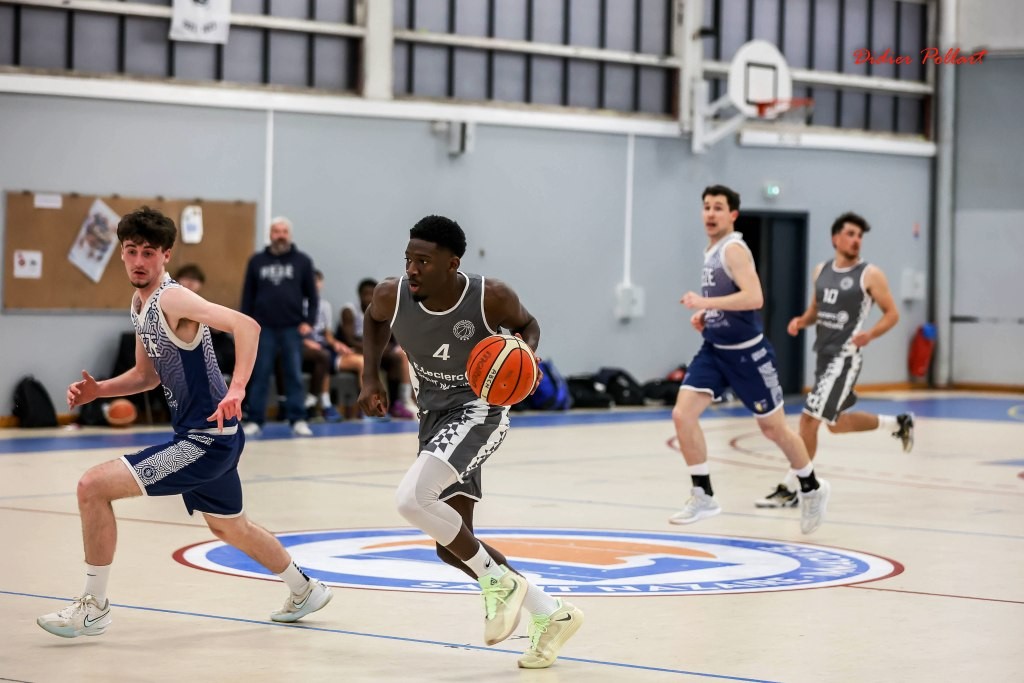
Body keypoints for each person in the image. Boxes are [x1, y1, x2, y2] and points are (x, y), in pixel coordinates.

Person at [37, 207, 332, 639]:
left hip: (205, 441)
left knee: (92, 487)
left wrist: (238, 388)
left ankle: (94, 606)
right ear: (122, 253)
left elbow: (247, 326)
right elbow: (147, 375)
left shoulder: (172, 299)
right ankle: (305, 589)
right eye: (131, 251)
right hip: (209, 436)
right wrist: (101, 390)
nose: (139, 261)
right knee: (230, 525)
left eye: (149, 252)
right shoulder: (140, 304)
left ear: (166, 255)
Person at [357, 215, 583, 669]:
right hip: (432, 415)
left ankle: (498, 582)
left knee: (411, 500)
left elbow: (529, 324)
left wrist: (525, 356)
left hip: (479, 411)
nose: (412, 269)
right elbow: (375, 322)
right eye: (408, 259)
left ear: (452, 263)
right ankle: (552, 613)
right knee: (451, 544)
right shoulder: (390, 295)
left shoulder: (490, 296)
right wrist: (370, 375)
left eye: (423, 261)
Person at [670, 185, 830, 534]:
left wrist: (705, 303)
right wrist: (708, 315)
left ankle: (811, 487)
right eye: (706, 207)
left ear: (733, 215)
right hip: (715, 350)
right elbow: (729, 299)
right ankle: (703, 495)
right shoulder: (712, 250)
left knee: (773, 429)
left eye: (718, 207)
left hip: (748, 355)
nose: (710, 213)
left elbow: (754, 297)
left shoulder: (734, 249)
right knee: (682, 414)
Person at [755, 212, 914, 508]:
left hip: (844, 359)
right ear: (835, 238)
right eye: (851, 234)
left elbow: (892, 314)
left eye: (860, 236)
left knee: (809, 420)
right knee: (837, 424)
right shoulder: (821, 270)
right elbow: (816, 309)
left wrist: (870, 334)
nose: (856, 240)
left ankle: (794, 487)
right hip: (823, 357)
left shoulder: (870, 274)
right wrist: (801, 321)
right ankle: (898, 423)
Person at [240, 216, 317, 437]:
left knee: (294, 374)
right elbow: (248, 296)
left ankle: (298, 419)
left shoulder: (303, 261)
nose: (280, 235)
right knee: (260, 374)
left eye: (284, 231)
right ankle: (255, 420)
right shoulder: (256, 261)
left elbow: (312, 296)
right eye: (276, 231)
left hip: (292, 328)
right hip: (263, 328)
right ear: (270, 235)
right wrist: (246, 324)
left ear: (289, 235)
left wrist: (309, 321)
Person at [339, 278, 416, 419]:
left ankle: (399, 402)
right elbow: (349, 340)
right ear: (359, 295)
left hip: (377, 349)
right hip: (355, 350)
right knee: (363, 362)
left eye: (371, 294)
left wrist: (390, 348)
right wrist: (372, 349)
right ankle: (368, 406)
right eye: (365, 294)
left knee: (399, 357)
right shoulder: (349, 311)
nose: (368, 297)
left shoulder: (384, 308)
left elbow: (392, 335)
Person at [303, 269, 363, 422]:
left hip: (324, 348)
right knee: (323, 358)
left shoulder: (324, 306)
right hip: (304, 349)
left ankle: (366, 408)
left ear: (321, 284)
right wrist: (306, 341)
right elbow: (291, 332)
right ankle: (326, 405)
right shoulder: (297, 304)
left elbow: (327, 334)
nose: (314, 284)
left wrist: (337, 344)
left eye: (317, 281)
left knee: (361, 361)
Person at [174, 264, 235, 376]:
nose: (190, 283)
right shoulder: (169, 302)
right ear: (177, 280)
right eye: (186, 278)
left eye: (194, 279)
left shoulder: (203, 305)